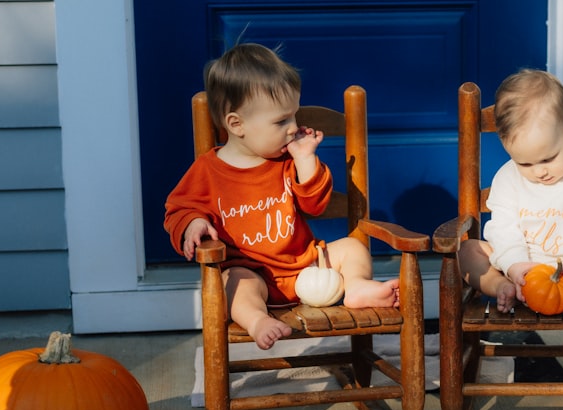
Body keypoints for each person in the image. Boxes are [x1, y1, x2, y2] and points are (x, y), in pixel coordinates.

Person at [164, 43, 399, 349]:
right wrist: (193, 222)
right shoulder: (208, 170)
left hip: (305, 265)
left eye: (293, 117)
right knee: (235, 284)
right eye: (281, 121)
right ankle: (257, 320)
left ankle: (355, 288)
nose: (293, 129)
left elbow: (315, 205)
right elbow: (178, 209)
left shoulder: (288, 161)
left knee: (353, 248)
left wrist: (305, 161)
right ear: (237, 125)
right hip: (252, 272)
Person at [458, 69, 563, 351]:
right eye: (525, 164)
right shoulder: (507, 179)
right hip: (523, 270)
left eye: (549, 158)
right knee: (467, 252)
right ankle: (501, 289)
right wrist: (514, 266)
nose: (539, 172)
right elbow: (503, 229)